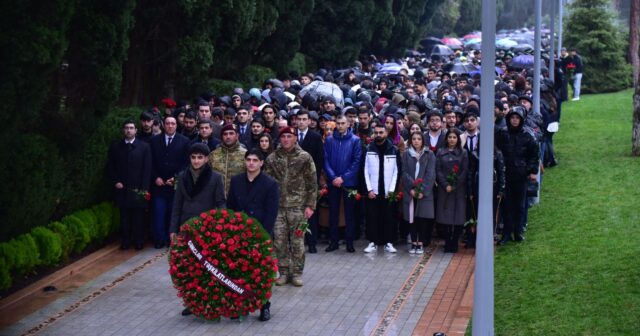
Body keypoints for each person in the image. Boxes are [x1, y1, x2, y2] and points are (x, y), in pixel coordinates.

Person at [169, 143, 226, 317]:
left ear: (207, 159)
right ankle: (192, 302)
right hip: (186, 228)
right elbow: (177, 205)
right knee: (189, 267)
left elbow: (220, 203)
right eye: (193, 157)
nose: (196, 161)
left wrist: (219, 225)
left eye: (200, 157)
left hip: (207, 228)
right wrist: (173, 229)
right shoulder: (182, 177)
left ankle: (210, 302)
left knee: (207, 268)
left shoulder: (215, 178)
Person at [227, 149, 280, 321]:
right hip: (239, 233)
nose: (251, 163)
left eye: (255, 160)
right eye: (248, 159)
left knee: (261, 272)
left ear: (261, 163)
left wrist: (263, 235)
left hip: (260, 232)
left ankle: (264, 306)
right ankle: (239, 305)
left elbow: (271, 213)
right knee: (238, 270)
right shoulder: (236, 181)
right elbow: (231, 207)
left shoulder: (270, 184)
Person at [264, 127, 317, 287]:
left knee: (297, 241)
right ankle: (284, 272)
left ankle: (297, 273)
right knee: (279, 241)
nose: (286, 139)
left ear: (295, 138)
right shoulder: (272, 158)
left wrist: (310, 205)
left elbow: (312, 182)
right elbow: (267, 182)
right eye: (283, 136)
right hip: (278, 207)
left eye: (289, 136)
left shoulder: (304, 157)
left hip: (298, 207)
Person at [496, 106, 539, 245]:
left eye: (517, 118)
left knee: (520, 205)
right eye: (512, 118)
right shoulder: (503, 133)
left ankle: (518, 231)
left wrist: (532, 171)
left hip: (521, 175)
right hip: (505, 174)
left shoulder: (528, 135)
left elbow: (534, 154)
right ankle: (507, 233)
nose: (514, 121)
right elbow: (497, 150)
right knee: (506, 205)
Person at [107, 119, 152, 250]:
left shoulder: (144, 147)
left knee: (139, 217)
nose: (129, 130)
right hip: (122, 188)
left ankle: (139, 240)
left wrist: (144, 189)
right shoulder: (116, 147)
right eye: (126, 127)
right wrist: (116, 181)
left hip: (139, 189)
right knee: (124, 217)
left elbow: (147, 169)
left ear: (136, 130)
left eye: (131, 128)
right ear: (123, 130)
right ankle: (125, 240)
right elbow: (111, 166)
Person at [149, 115, 190, 248]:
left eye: (173, 123)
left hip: (175, 185)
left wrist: (176, 178)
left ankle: (171, 239)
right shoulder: (154, 141)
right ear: (163, 125)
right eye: (167, 123)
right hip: (159, 185)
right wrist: (156, 177)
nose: (170, 126)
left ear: (176, 125)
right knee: (158, 213)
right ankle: (159, 239)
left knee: (173, 213)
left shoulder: (184, 141)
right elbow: (151, 163)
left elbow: (186, 163)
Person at [323, 115, 362, 253]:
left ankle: (350, 242)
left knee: (349, 213)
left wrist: (343, 178)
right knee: (333, 212)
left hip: (349, 182)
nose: (340, 126)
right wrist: (333, 177)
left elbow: (356, 161)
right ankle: (333, 241)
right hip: (333, 181)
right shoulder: (329, 140)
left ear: (348, 124)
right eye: (338, 123)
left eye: (342, 123)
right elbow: (325, 160)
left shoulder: (355, 140)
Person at [363, 124, 402, 253]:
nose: (378, 135)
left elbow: (397, 171)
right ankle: (372, 242)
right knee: (372, 217)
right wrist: (369, 190)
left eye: (381, 132)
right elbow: (365, 170)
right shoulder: (368, 149)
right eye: (376, 132)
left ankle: (389, 242)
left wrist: (391, 190)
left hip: (388, 191)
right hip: (373, 190)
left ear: (386, 133)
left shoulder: (393, 149)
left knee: (389, 217)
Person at [401, 132, 436, 254]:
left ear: (423, 141)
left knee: (422, 217)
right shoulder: (406, 154)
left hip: (423, 192)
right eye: (414, 139)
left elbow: (430, 174)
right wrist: (411, 188)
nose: (416, 141)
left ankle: (420, 242)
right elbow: (404, 172)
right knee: (412, 217)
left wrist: (422, 190)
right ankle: (413, 242)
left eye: (419, 139)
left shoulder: (429, 154)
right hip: (410, 192)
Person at [435, 128, 468, 253]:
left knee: (458, 216)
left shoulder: (463, 153)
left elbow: (465, 170)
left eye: (454, 137)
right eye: (450, 137)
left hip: (458, 189)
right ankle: (447, 242)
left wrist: (455, 184)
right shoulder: (440, 152)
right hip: (445, 189)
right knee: (445, 216)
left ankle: (455, 241)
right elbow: (438, 170)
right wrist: (445, 184)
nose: (452, 139)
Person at [296, 109, 324, 254]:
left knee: (310, 212)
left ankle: (312, 243)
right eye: (299, 119)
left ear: (309, 121)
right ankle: (297, 241)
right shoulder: (291, 136)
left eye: (304, 119)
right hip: (293, 182)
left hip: (310, 181)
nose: (301, 122)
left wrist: (314, 179)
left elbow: (319, 161)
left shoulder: (315, 137)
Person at [208, 124, 247, 196]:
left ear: (237, 136)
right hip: (217, 197)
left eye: (231, 133)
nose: (228, 136)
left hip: (238, 197)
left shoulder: (245, 155)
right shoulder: (213, 154)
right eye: (225, 134)